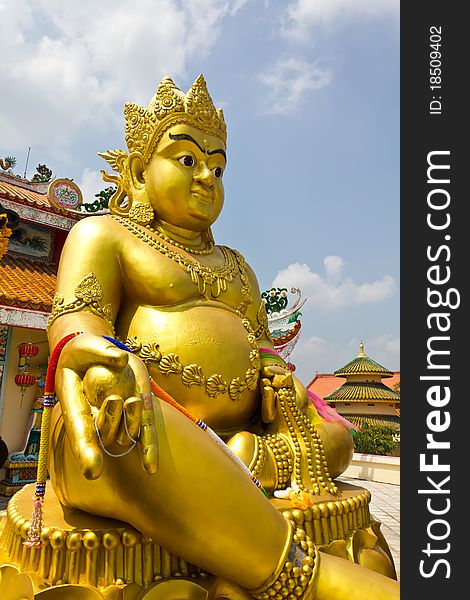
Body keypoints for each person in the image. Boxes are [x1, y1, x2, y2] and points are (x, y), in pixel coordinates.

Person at [46, 75, 399, 599]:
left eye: (217, 166)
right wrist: (97, 356)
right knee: (125, 427)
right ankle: (311, 578)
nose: (207, 177)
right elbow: (77, 317)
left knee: (338, 438)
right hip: (142, 416)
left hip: (244, 435)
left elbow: (259, 347)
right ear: (140, 173)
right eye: (186, 159)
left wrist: (278, 383)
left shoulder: (238, 267)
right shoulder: (104, 234)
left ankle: (240, 467)